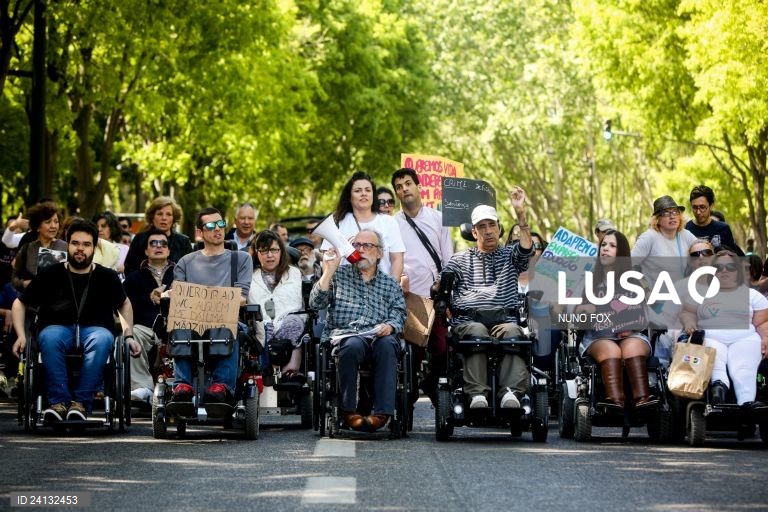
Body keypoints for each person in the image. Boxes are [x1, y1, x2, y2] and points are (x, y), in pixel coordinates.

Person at [10, 220, 140, 421]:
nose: (80, 249)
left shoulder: (107, 276)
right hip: (56, 327)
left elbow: (125, 304)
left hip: (96, 329)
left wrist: (129, 335)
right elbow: (20, 303)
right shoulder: (50, 273)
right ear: (68, 244)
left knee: (103, 339)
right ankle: (58, 403)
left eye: (86, 244)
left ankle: (80, 403)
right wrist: (21, 335)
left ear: (94, 247)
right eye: (75, 243)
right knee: (50, 337)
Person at [443, 190, 532, 410]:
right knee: (477, 333)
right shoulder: (459, 259)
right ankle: (476, 395)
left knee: (514, 334)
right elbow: (442, 286)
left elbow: (527, 249)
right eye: (482, 226)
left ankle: (510, 393)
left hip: (504, 319)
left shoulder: (510, 256)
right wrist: (440, 292)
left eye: (492, 225)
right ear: (474, 232)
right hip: (469, 321)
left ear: (499, 228)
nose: (488, 231)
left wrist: (521, 215)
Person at [309, 229, 406, 432]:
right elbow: (315, 303)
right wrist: (328, 270)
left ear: (379, 253)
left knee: (389, 345)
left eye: (367, 246)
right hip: (347, 335)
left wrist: (390, 326)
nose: (360, 250)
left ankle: (382, 413)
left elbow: (399, 313)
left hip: (378, 335)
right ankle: (348, 411)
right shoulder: (339, 276)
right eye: (356, 245)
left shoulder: (390, 284)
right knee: (351, 345)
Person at [168, 207, 252, 404]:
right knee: (179, 324)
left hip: (228, 319)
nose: (218, 229)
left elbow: (242, 298)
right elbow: (180, 298)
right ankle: (183, 386)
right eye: (211, 225)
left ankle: (221, 387)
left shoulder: (240, 259)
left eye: (221, 224)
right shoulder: (185, 262)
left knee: (226, 325)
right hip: (192, 319)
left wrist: (201, 299)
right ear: (200, 232)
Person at [575, 229, 656, 409]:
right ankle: (615, 400)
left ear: (621, 252)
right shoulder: (588, 280)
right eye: (603, 245)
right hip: (598, 336)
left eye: (612, 246)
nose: (605, 249)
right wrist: (584, 308)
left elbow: (653, 307)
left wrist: (648, 296)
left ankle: (643, 399)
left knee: (632, 346)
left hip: (632, 334)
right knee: (612, 350)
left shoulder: (636, 279)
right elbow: (574, 312)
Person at [391, 167, 453, 402]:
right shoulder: (392, 224)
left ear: (419, 187)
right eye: (399, 186)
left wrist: (445, 287)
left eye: (408, 183)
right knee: (411, 352)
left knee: (442, 348)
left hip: (436, 296)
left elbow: (448, 257)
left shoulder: (439, 219)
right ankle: (410, 389)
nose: (404, 188)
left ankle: (430, 382)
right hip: (408, 297)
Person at [679, 250, 768, 407]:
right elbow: (687, 313)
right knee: (713, 355)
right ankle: (719, 387)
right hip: (711, 337)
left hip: (744, 338)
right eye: (719, 267)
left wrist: (766, 337)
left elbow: (762, 324)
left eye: (730, 267)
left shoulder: (753, 295)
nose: (724, 270)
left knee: (744, 368)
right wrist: (689, 323)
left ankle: (746, 404)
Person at [323, 171, 405, 283]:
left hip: (381, 294)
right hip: (344, 293)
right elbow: (327, 260)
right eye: (358, 191)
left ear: (373, 195)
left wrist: (390, 291)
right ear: (349, 197)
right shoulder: (337, 221)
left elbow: (397, 259)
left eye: (368, 190)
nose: (364, 194)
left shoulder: (389, 222)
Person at [123, 229, 175, 402]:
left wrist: (168, 293)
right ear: (146, 250)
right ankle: (142, 387)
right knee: (133, 333)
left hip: (176, 329)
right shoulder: (133, 278)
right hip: (146, 328)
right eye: (153, 243)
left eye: (163, 244)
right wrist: (150, 298)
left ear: (168, 250)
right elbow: (126, 308)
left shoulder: (181, 274)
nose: (159, 246)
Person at [248, 230, 306, 380]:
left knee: (294, 322)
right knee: (260, 329)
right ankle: (268, 372)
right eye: (264, 250)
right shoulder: (249, 276)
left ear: (281, 251)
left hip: (290, 322)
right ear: (257, 253)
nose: (270, 255)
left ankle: (290, 370)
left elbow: (296, 303)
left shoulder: (294, 273)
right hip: (260, 325)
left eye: (274, 250)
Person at [654, 240, 716, 364]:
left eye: (706, 253)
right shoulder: (681, 286)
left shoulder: (726, 285)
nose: (701, 257)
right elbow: (667, 319)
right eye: (695, 255)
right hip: (687, 337)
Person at [632, 195, 697, 285]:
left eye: (675, 212)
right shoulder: (649, 237)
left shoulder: (685, 235)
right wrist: (645, 289)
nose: (672, 216)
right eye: (666, 213)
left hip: (682, 295)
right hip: (656, 296)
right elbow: (629, 265)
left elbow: (703, 252)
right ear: (657, 219)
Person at [124, 196, 192, 275]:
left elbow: (190, 271)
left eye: (168, 214)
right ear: (152, 217)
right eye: (159, 214)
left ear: (174, 218)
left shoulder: (183, 242)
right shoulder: (140, 239)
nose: (164, 218)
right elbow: (130, 269)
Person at [12, 201, 68, 292]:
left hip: (59, 303)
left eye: (56, 221)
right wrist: (23, 283)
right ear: (37, 227)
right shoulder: (27, 248)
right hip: (31, 302)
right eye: (48, 222)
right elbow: (14, 277)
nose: (53, 226)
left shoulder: (66, 247)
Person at [685, 185, 742, 254]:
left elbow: (733, 257)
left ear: (711, 206)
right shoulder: (687, 229)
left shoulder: (723, 228)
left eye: (702, 207)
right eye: (695, 207)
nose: (698, 212)